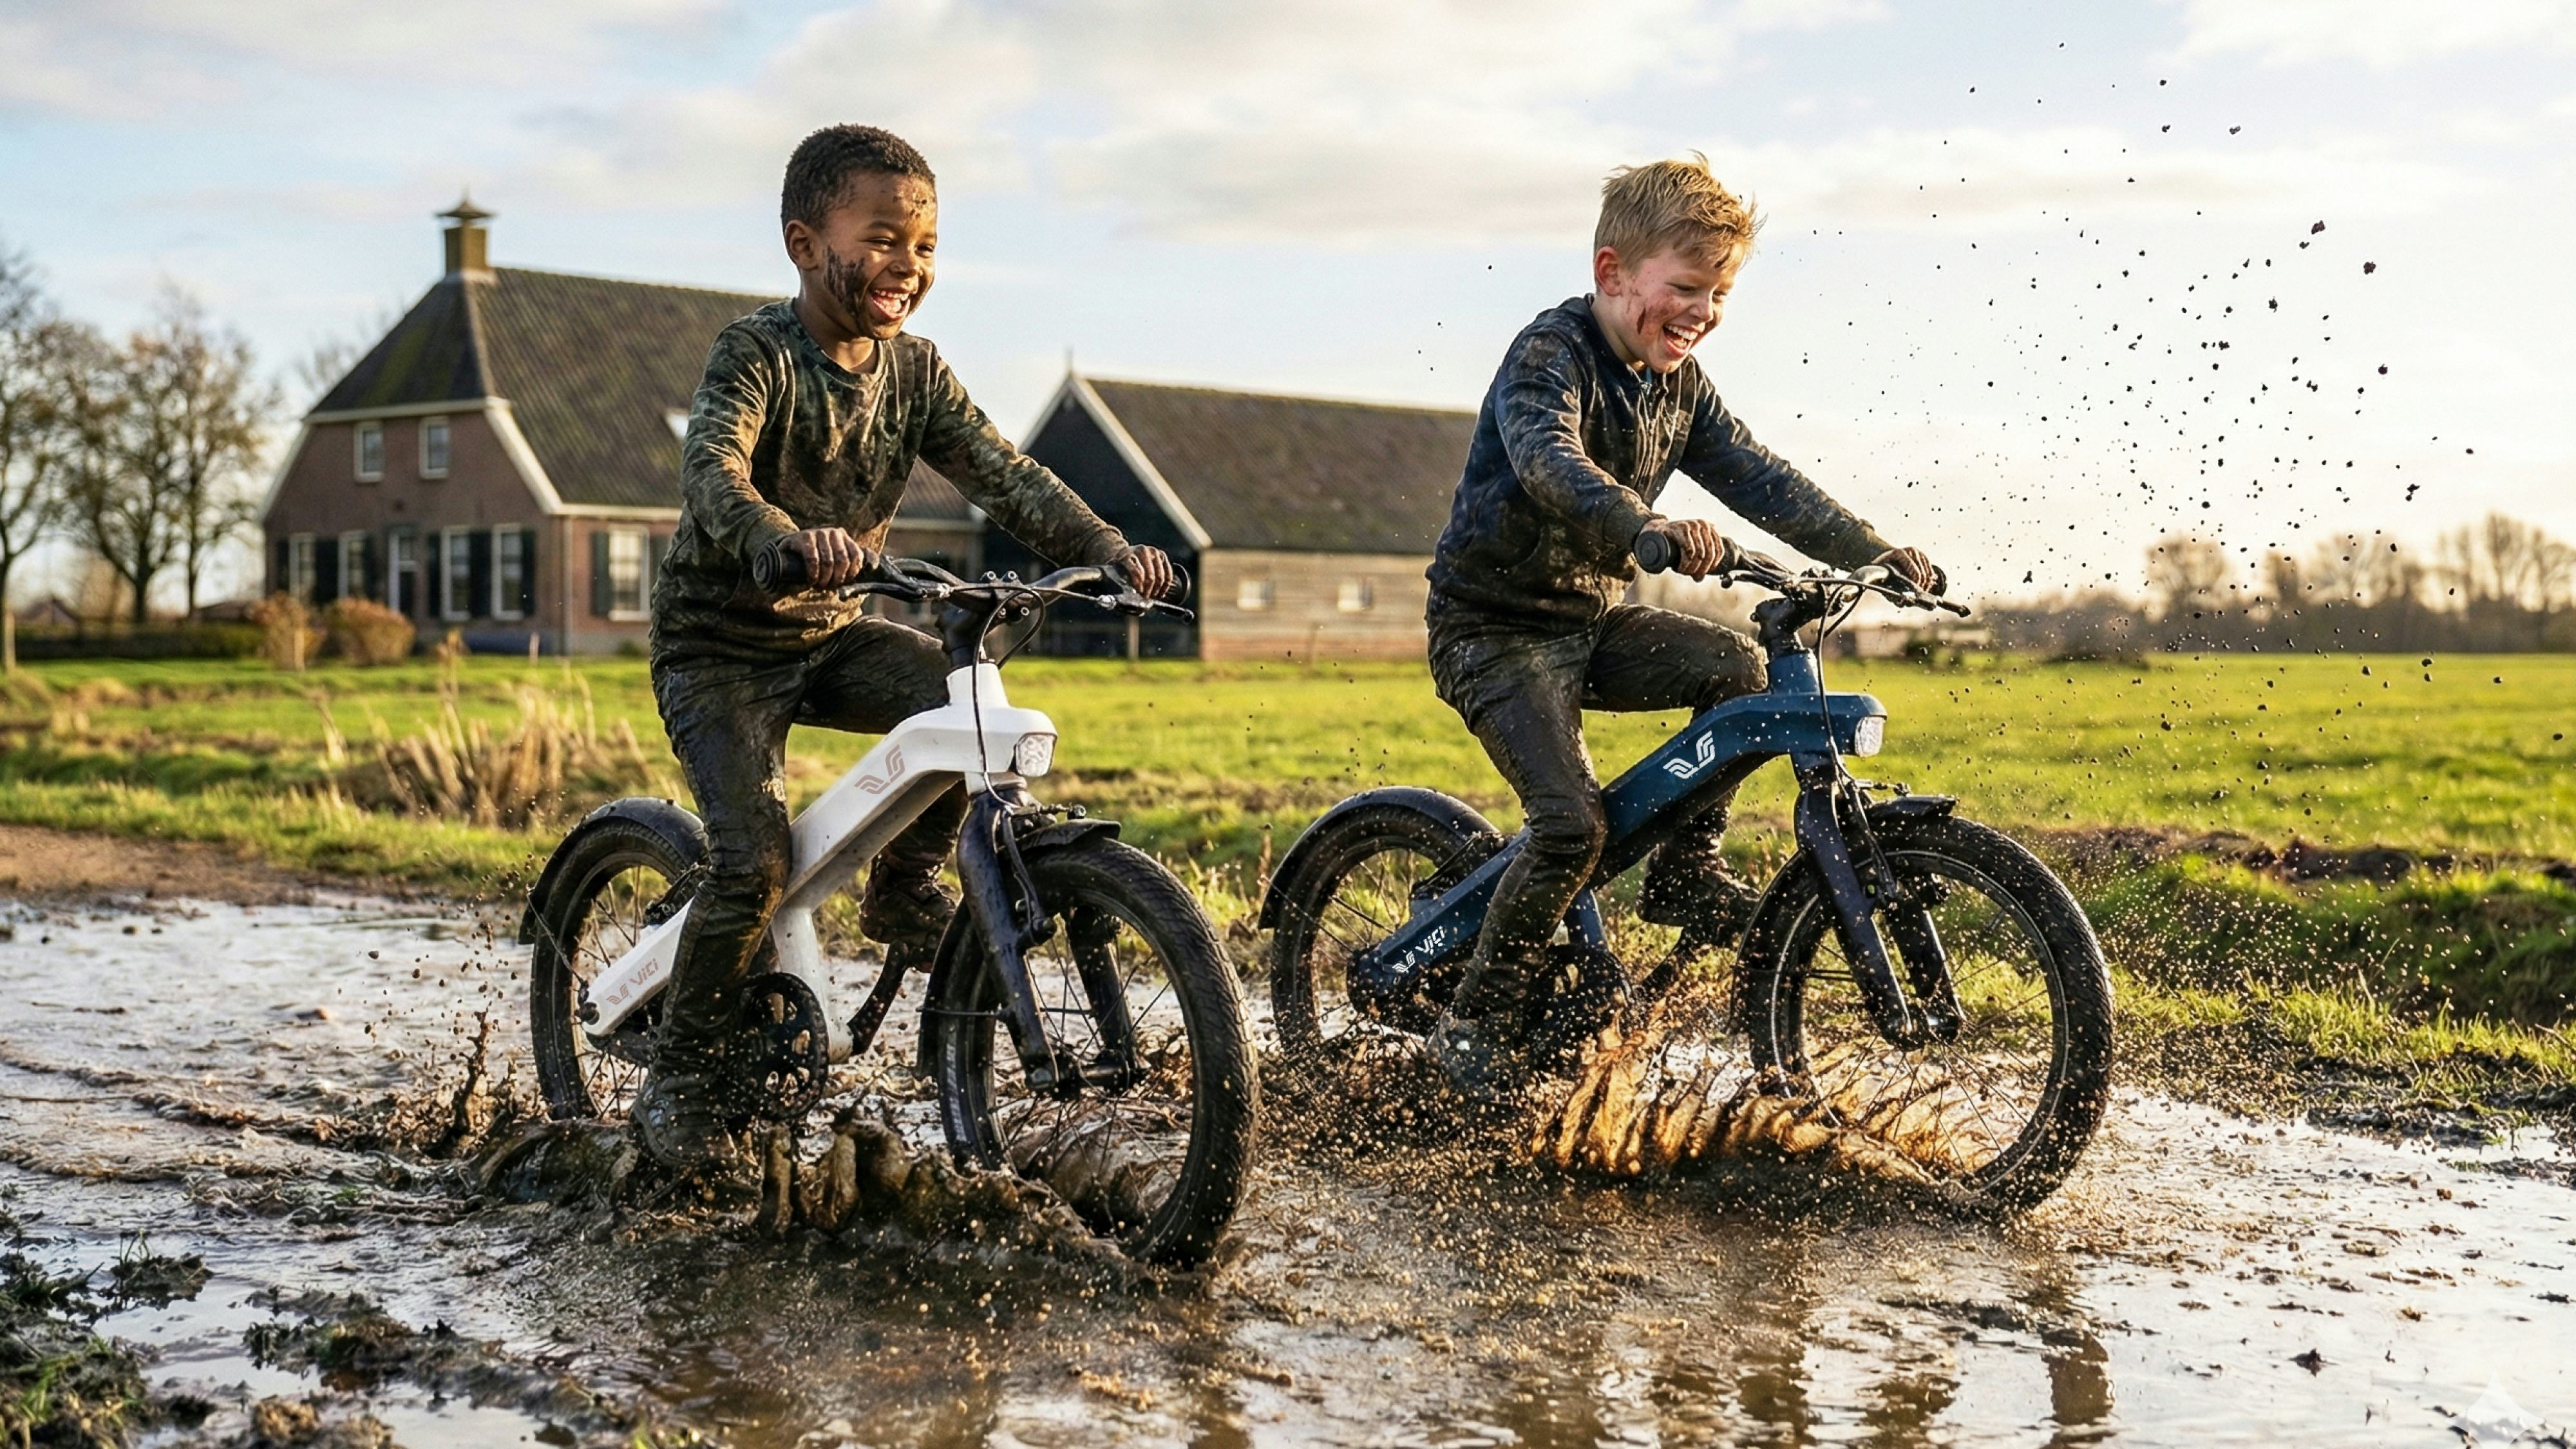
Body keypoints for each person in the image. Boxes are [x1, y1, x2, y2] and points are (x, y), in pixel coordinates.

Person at [636, 125, 1173, 1168]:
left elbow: (1004, 473)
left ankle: (899, 889)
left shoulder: (915, 374)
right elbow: (713, 471)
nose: (907, 266)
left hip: (832, 636)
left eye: (924, 247)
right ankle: (682, 1081)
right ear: (804, 243)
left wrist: (1109, 548)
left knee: (965, 705)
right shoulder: (756, 355)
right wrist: (779, 540)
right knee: (753, 861)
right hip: (722, 649)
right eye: (881, 239)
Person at [1423, 155, 1942, 1097]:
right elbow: (1549, 461)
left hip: (1592, 618)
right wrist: (1646, 525)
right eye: (1687, 287)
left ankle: (1682, 874)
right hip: (1492, 631)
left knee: (1742, 674)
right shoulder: (1552, 355)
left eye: (1719, 294)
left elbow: (1760, 475)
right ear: (1614, 272)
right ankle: (1474, 1025)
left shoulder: (1682, 389)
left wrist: (1874, 552)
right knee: (1569, 824)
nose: (1703, 310)